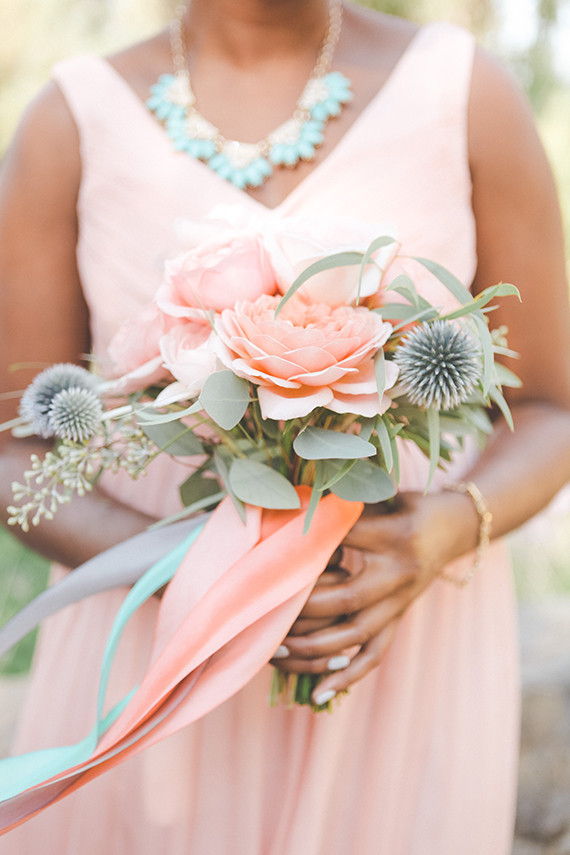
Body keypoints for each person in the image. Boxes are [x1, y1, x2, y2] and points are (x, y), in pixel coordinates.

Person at [1, 1, 570, 852]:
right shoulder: (69, 119)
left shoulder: (466, 92)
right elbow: (15, 445)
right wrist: (195, 572)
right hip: (158, 650)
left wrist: (449, 526)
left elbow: (552, 407)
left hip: (398, 649)